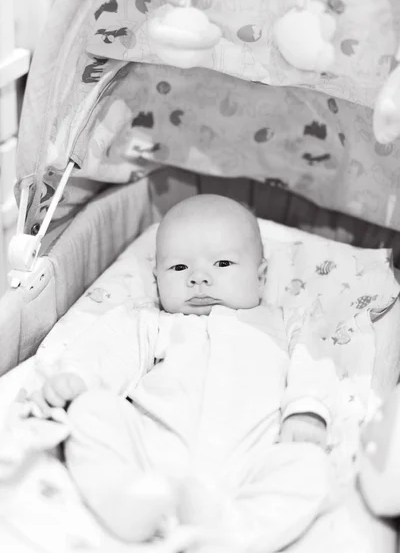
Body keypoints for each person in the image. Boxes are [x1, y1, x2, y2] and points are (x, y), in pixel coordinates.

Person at [31, 194, 334, 552]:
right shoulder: (151, 321)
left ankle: (230, 536)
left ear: (261, 276)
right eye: (179, 269)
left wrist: (307, 408)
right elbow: (108, 349)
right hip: (152, 458)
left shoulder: (283, 324)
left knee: (310, 467)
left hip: (251, 461)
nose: (199, 279)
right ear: (156, 278)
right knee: (89, 411)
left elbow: (312, 363)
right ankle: (122, 500)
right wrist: (77, 378)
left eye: (222, 263)